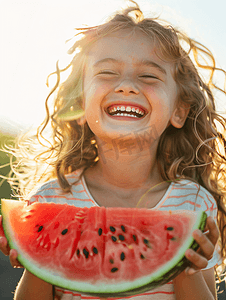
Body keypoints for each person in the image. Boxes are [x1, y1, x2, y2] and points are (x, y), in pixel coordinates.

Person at [0, 1, 226, 299]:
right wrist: (37, 260)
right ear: (79, 105)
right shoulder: (51, 200)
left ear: (179, 112)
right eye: (107, 72)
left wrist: (186, 264)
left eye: (149, 76)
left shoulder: (195, 203)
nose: (126, 86)